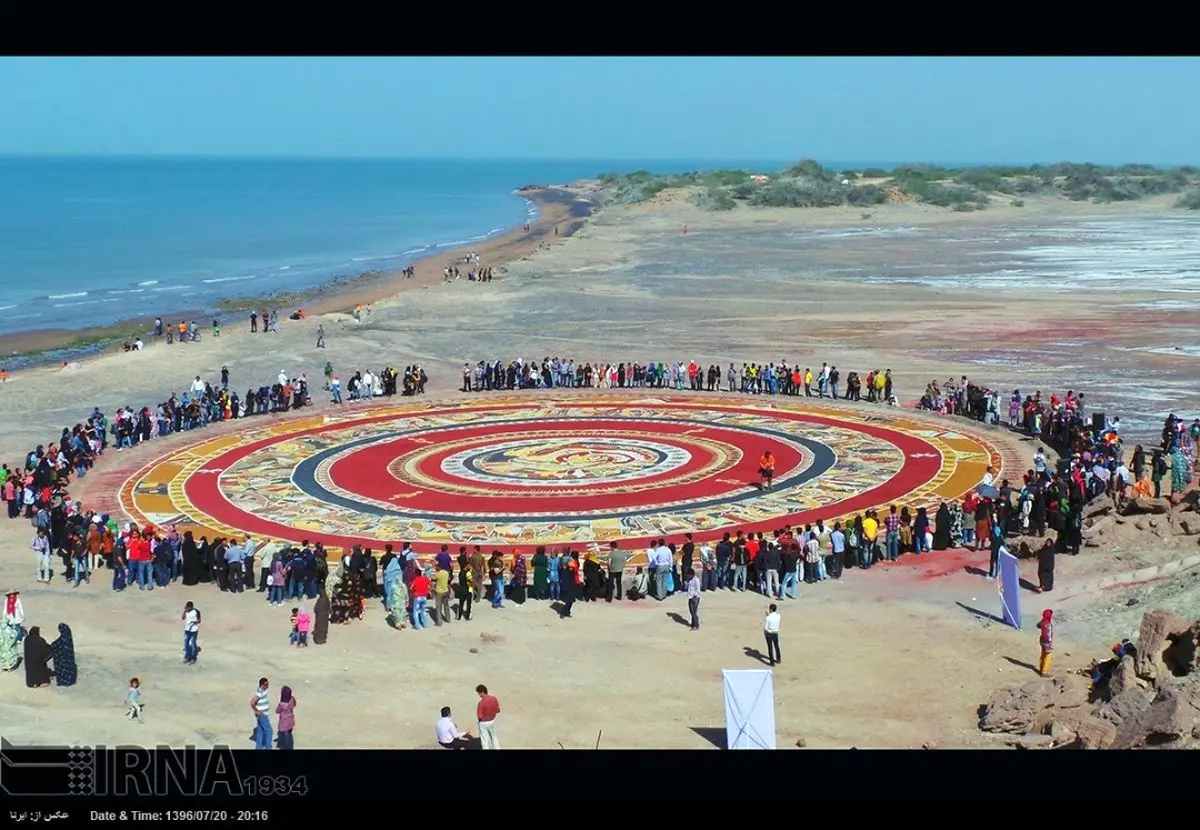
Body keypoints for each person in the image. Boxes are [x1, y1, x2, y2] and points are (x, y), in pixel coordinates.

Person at [475, 684, 501, 750]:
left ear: (482, 692)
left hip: (483, 723)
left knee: (485, 740)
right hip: (492, 721)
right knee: (494, 737)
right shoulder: (494, 699)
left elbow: (480, 716)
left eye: (479, 693)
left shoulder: (481, 703)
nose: (478, 695)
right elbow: (498, 710)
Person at [250, 677, 273, 750]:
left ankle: (259, 747)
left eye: (268, 684)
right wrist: (257, 711)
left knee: (260, 731)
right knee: (269, 731)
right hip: (262, 715)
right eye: (266, 684)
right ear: (262, 685)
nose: (267, 686)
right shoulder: (260, 693)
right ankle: (268, 747)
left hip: (261, 715)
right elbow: (252, 703)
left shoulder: (262, 690)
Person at [1037, 609, 1054, 676]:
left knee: (1043, 654)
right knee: (1048, 656)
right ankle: (1044, 672)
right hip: (1046, 641)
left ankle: (1041, 668)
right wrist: (1050, 643)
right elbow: (1048, 634)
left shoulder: (1043, 622)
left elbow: (1038, 625)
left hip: (1042, 640)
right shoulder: (1048, 624)